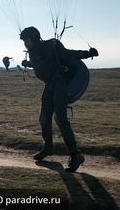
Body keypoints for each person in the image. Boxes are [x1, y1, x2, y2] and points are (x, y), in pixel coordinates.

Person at [19, 26, 98, 173]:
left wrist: (87, 53)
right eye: (24, 41)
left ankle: (76, 155)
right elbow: (42, 64)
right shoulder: (33, 53)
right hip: (49, 85)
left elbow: (68, 55)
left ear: (35, 38)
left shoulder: (52, 45)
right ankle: (48, 147)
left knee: (60, 119)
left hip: (60, 83)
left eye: (26, 40)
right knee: (43, 117)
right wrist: (28, 64)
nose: (25, 43)